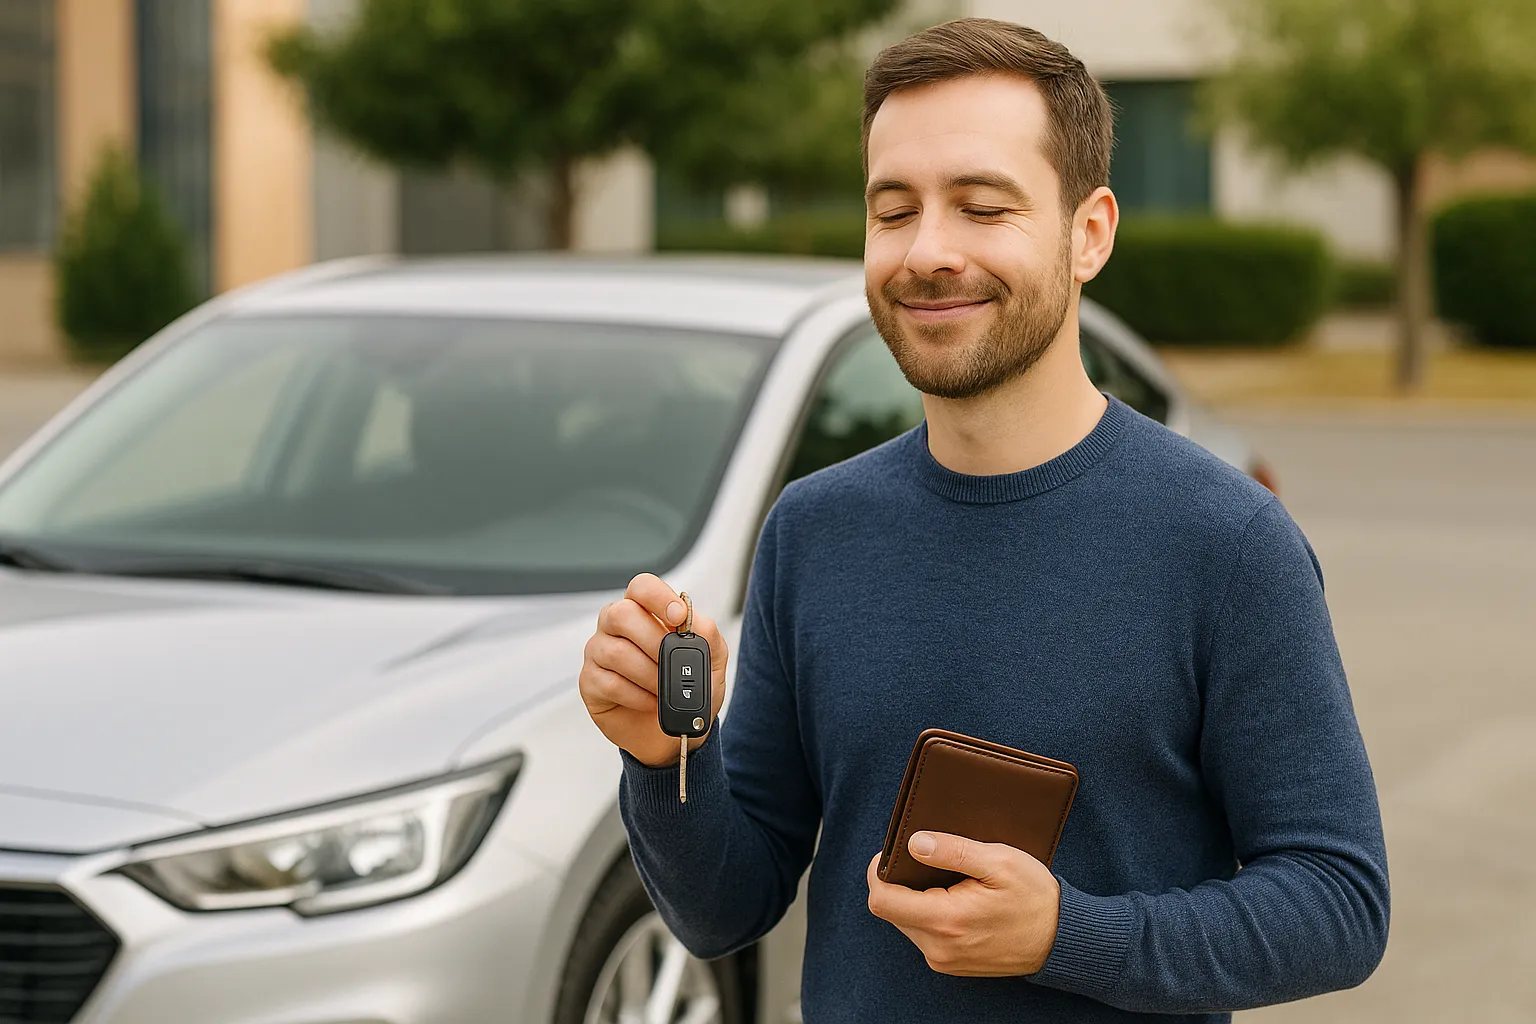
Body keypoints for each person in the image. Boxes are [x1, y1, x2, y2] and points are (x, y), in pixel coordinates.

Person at [578, 16, 1389, 1022]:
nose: (927, 252)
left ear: (1088, 232)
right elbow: (724, 911)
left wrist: (1064, 934)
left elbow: (1339, 903)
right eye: (894, 210)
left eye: (981, 207)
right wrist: (665, 761)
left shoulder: (1226, 544)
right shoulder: (814, 531)